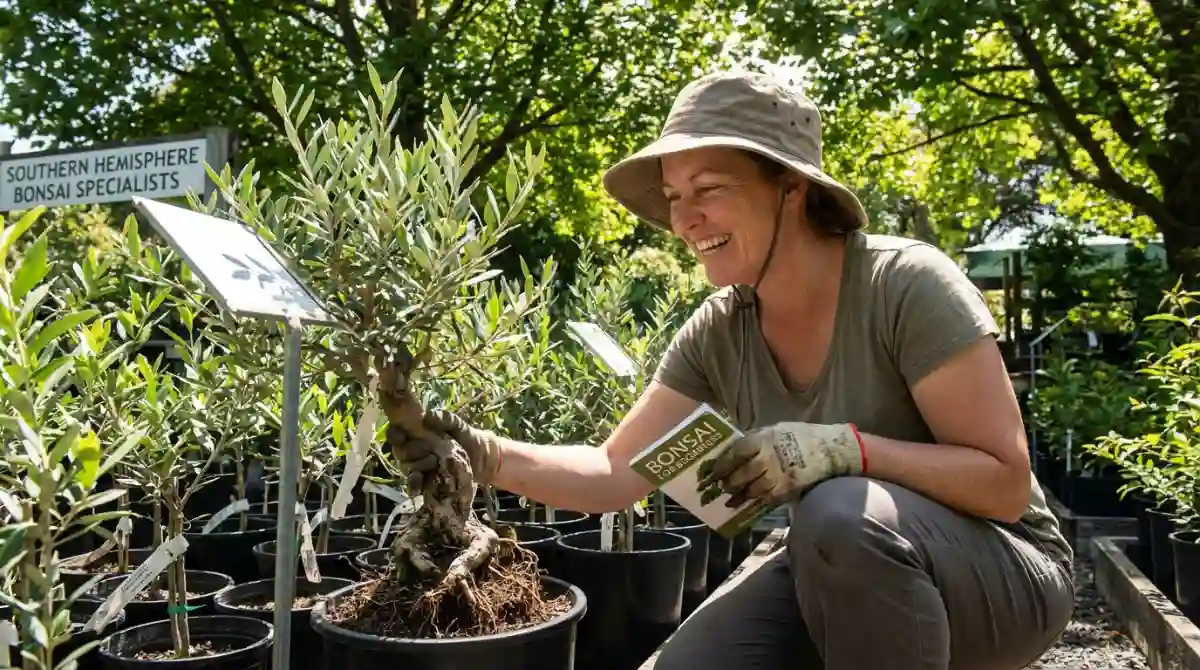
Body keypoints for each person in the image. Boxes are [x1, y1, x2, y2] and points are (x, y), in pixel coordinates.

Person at [386, 70, 1075, 669]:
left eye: (707, 189)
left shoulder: (905, 285)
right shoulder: (721, 331)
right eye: (672, 196)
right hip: (841, 564)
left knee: (839, 510)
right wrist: (480, 451)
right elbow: (614, 475)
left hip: (1004, 577)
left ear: (792, 189)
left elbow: (1005, 484)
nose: (684, 220)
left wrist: (842, 450)